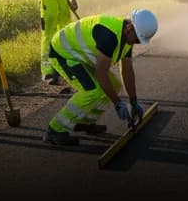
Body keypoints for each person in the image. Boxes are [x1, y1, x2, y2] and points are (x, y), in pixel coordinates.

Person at [42, 9, 159, 146]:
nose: (137, 42)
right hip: (63, 53)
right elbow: (101, 74)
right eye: (137, 39)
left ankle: (85, 122)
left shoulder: (127, 38)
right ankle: (55, 129)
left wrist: (133, 101)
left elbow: (127, 71)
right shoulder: (109, 37)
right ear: (129, 27)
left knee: (114, 86)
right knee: (92, 91)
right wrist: (117, 103)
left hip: (80, 56)